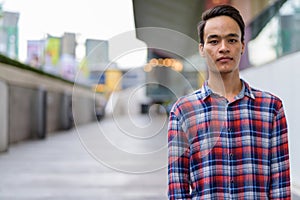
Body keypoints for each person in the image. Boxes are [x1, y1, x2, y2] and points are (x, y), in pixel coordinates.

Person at [168, 4, 290, 199]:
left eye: (231, 40)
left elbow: (280, 187)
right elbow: (177, 188)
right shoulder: (183, 111)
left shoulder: (271, 108)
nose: (223, 48)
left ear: (242, 45)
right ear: (202, 49)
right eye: (214, 41)